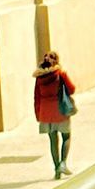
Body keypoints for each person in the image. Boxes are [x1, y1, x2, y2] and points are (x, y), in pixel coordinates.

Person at [33, 51, 77, 180]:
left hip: (46, 113)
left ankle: (56, 170)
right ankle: (63, 163)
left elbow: (36, 97)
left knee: (53, 141)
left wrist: (38, 114)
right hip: (60, 110)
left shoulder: (39, 78)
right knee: (66, 137)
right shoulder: (60, 74)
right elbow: (72, 89)